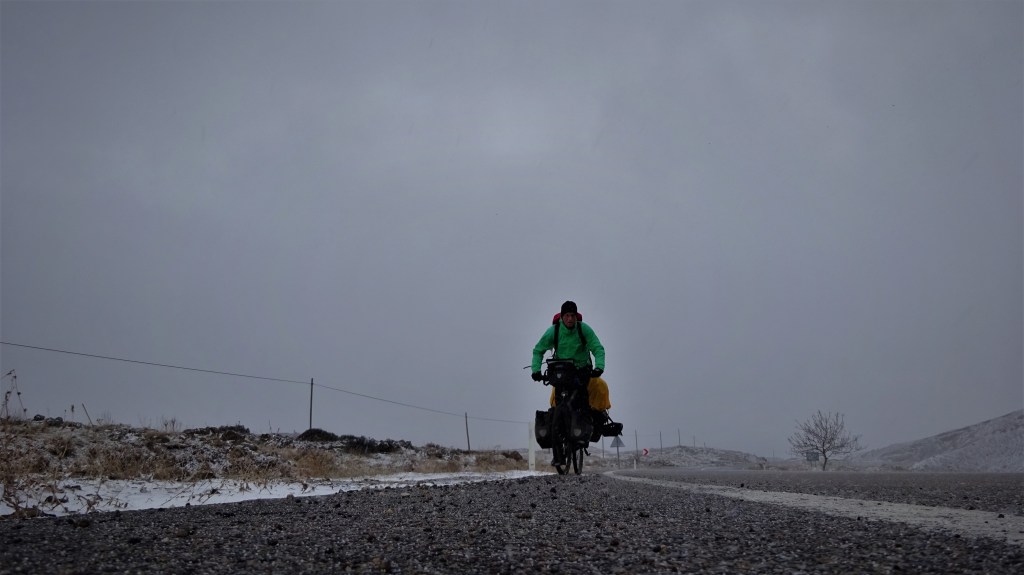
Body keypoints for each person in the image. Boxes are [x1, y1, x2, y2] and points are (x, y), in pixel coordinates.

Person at [531, 301, 616, 442]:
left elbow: (597, 348)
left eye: (572, 315)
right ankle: (558, 436)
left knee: (586, 397)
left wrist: (599, 367)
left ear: (576, 316)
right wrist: (536, 370)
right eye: (567, 315)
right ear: (561, 317)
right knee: (557, 402)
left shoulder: (584, 329)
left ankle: (587, 427)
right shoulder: (554, 331)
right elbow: (538, 350)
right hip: (562, 372)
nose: (570, 319)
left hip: (582, 370)